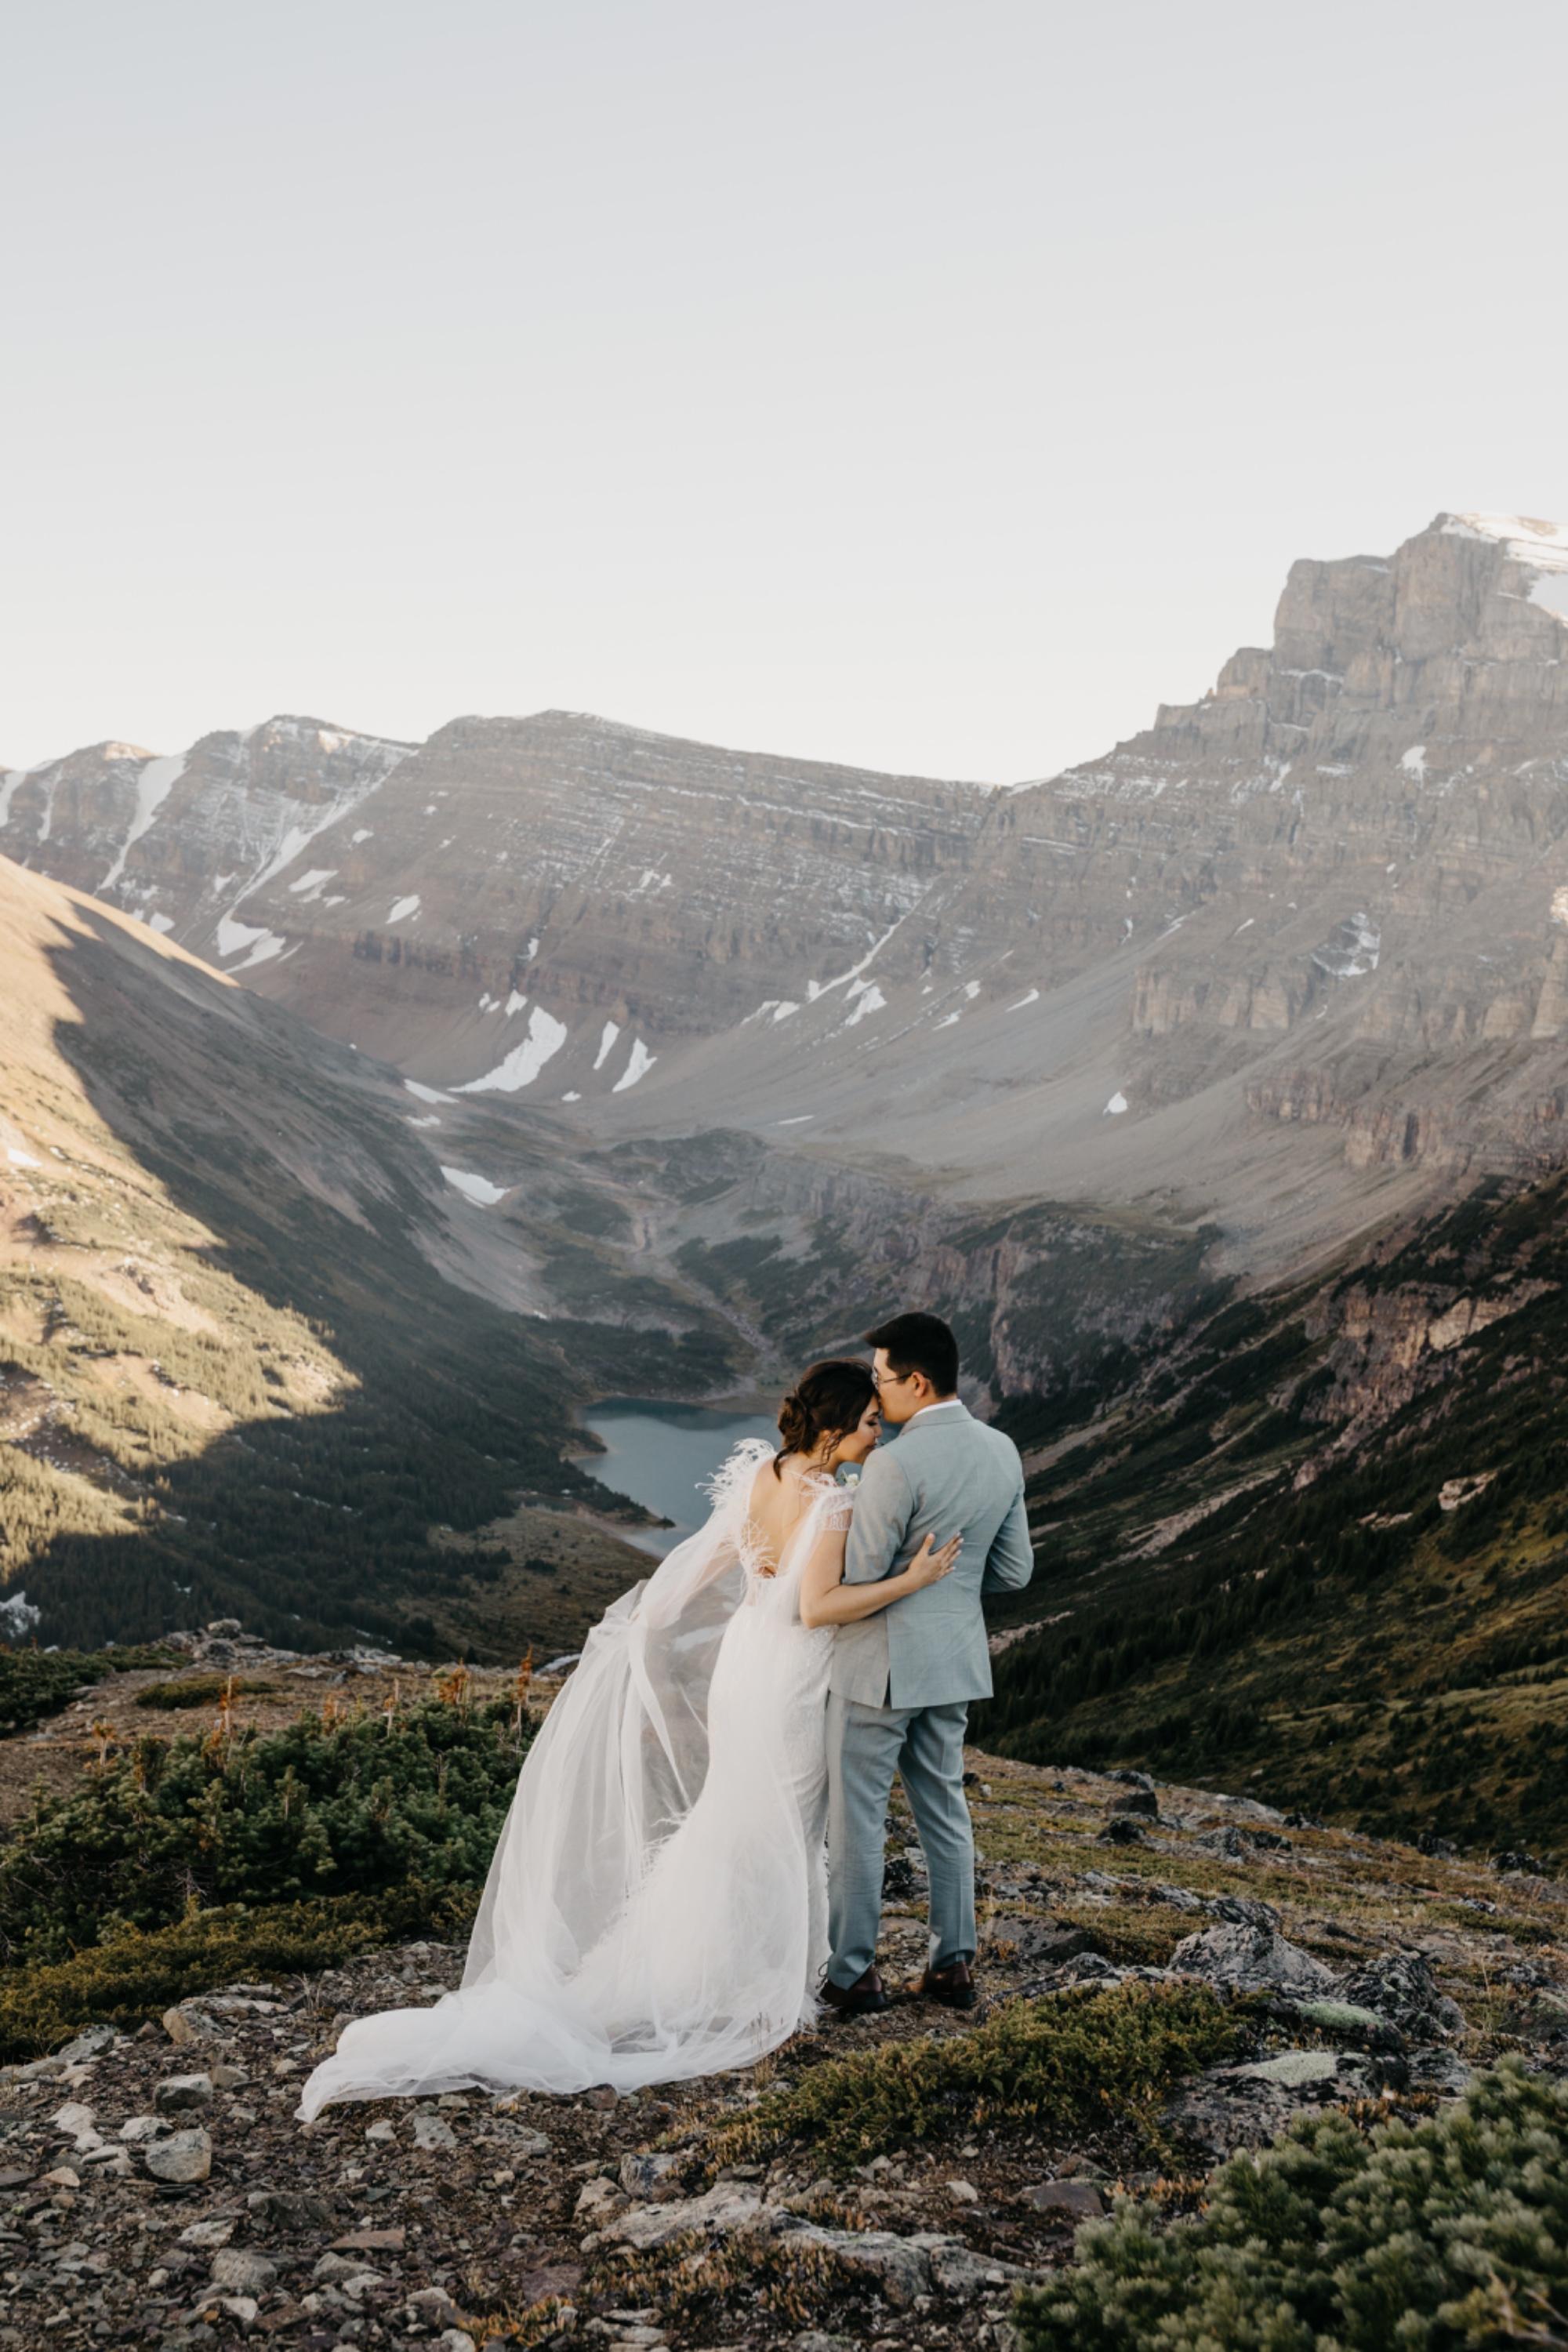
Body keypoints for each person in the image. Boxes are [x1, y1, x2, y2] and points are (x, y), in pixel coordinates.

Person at [296, 1357, 960, 2116]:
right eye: (870, 1424)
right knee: (782, 1824)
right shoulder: (832, 1503)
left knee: (729, 1816)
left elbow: (710, 1565)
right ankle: (750, 1977)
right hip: (792, 1681)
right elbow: (816, 1608)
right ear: (839, 1425)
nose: (879, 1436)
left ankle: (681, 1961)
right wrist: (913, 1580)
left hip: (744, 1666)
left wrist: (643, 1631)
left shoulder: (762, 1476)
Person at [821, 1311, 1033, 2019]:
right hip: (953, 1659)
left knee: (857, 1818)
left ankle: (853, 1973)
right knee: (945, 1807)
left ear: (917, 1381)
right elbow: (1014, 1570)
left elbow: (861, 1577)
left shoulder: (894, 1462)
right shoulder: (1003, 1450)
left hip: (877, 1668)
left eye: (880, 1382)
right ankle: (953, 1965)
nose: (874, 1400)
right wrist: (955, 1579)